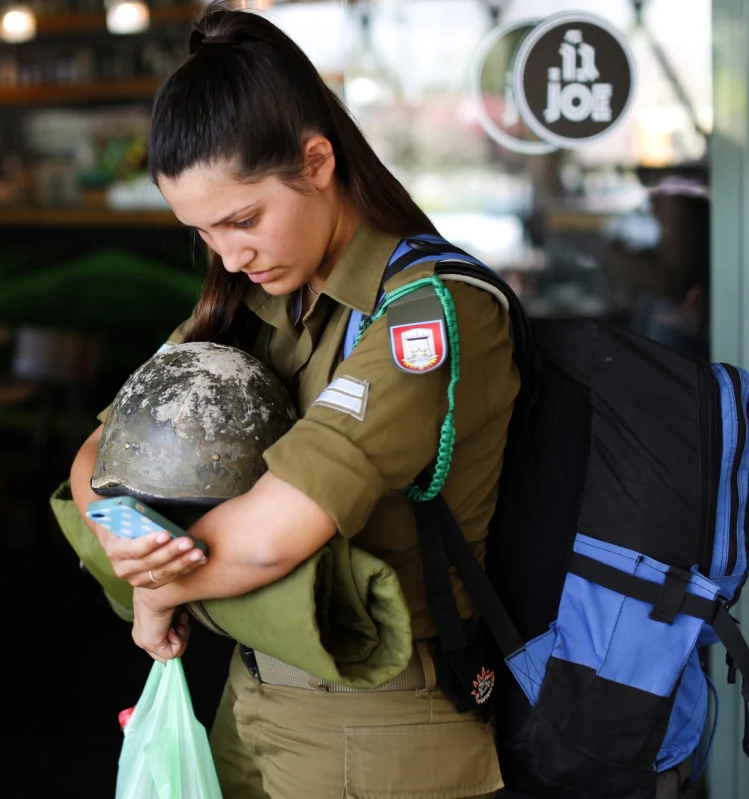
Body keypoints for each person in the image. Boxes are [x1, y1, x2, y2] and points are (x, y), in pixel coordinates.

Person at [67, 6, 519, 798]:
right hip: (252, 694)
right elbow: (103, 455)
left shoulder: (430, 313)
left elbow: (274, 535)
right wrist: (129, 544)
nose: (229, 254)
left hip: (381, 726)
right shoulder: (257, 298)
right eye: (204, 233)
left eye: (243, 220)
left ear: (317, 161)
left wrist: (157, 582)